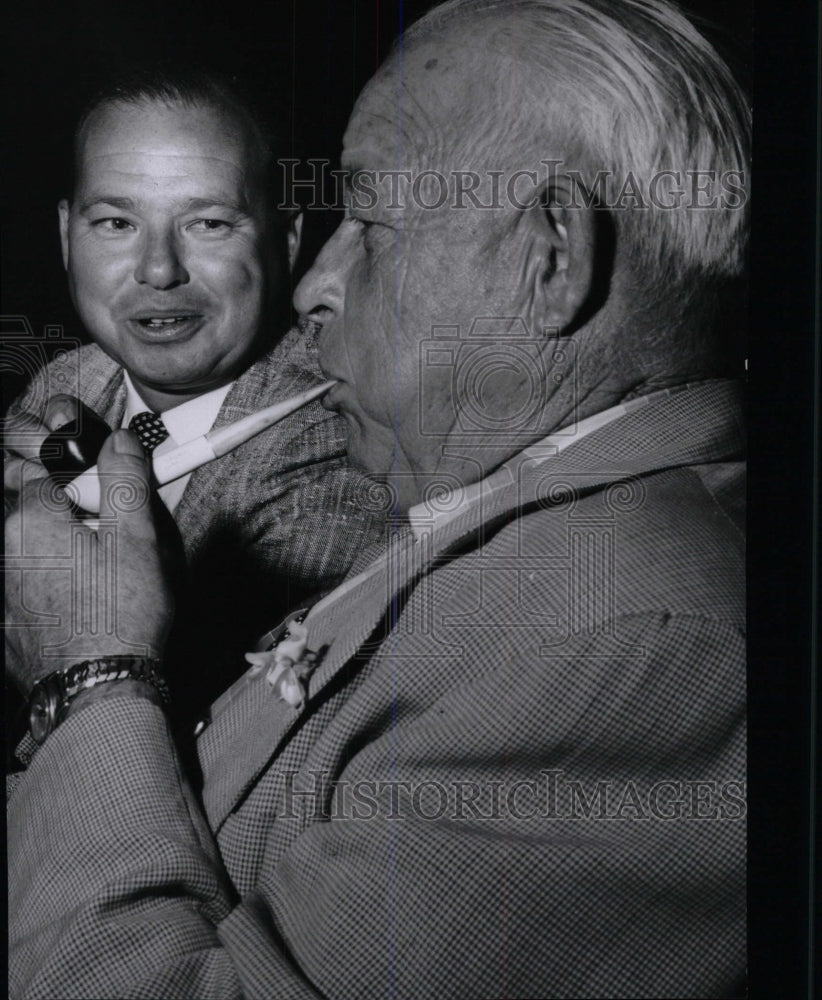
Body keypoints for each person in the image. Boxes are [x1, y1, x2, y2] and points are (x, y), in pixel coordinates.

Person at [6, 1, 748, 996]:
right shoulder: (515, 525)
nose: (311, 289)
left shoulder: (647, 645)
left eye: (370, 224)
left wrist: (89, 670)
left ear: (552, 256)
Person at [4, 73, 386, 738]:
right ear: (68, 235)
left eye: (208, 223)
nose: (158, 270)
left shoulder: (340, 444)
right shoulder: (65, 382)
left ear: (286, 242)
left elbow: (226, 742)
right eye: (117, 222)